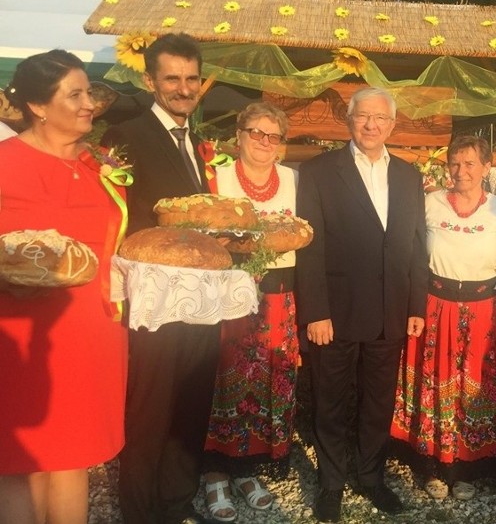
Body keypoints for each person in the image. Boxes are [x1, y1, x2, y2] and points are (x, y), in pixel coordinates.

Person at [0, 50, 128, 523]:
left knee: (74, 459)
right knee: (22, 464)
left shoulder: (101, 164)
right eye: (73, 94)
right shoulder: (5, 162)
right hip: (25, 334)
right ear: (37, 106)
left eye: (88, 92)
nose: (88, 103)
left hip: (92, 330)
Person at [295, 87, 429, 523]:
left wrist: (416, 305)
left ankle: (371, 477)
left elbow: (414, 246)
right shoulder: (318, 171)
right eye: (362, 117)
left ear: (392, 124)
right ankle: (332, 484)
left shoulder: (409, 176)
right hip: (334, 312)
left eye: (380, 118)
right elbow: (309, 248)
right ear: (348, 120)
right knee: (330, 402)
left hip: (390, 311)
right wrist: (315, 311)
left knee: (377, 403)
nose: (371, 125)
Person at [102, 33, 218, 524]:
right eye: (172, 78)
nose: (183, 88)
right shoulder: (124, 137)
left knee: (192, 404)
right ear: (150, 80)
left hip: (200, 301)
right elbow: (116, 220)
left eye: (191, 78)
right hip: (153, 303)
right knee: (150, 412)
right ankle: (142, 511)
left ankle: (176, 502)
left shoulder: (197, 139)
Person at [391, 135, 496, 501]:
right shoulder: (430, 203)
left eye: (469, 164)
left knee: (474, 387)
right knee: (434, 385)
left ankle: (467, 467)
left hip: (482, 310)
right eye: (454, 163)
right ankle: (433, 465)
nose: (460, 171)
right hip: (436, 305)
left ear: (486, 167)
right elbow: (413, 258)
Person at [202, 103, 298, 521]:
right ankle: (214, 473)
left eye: (273, 135)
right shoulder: (216, 178)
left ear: (281, 144)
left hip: (280, 296)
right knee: (224, 380)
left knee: (268, 384)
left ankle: (247, 468)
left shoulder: (295, 180)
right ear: (238, 135)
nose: (263, 141)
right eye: (255, 132)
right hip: (228, 295)